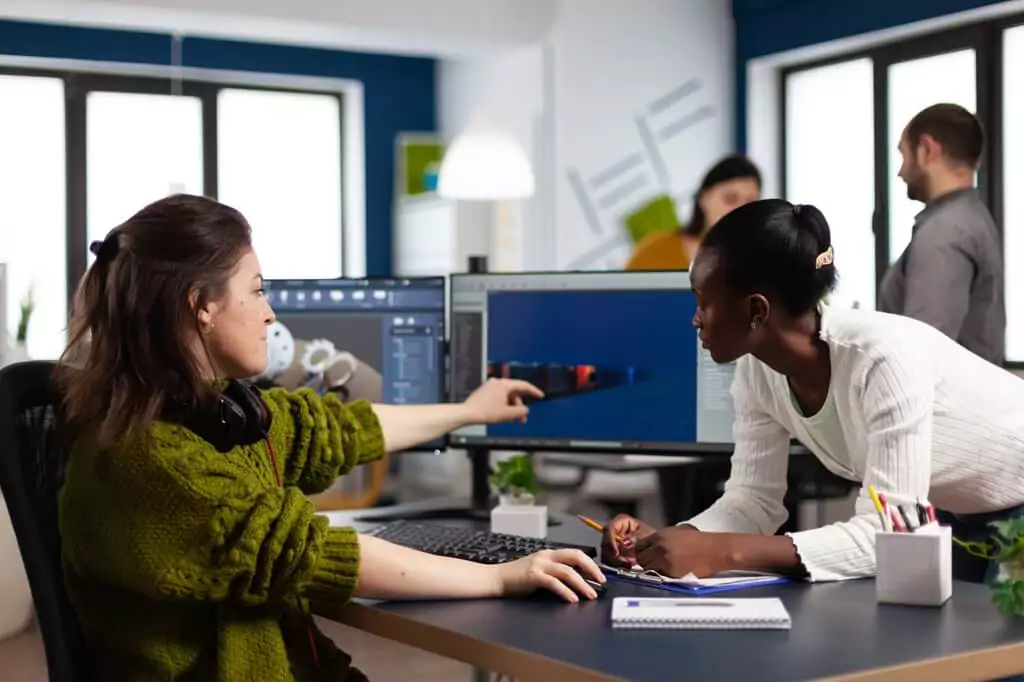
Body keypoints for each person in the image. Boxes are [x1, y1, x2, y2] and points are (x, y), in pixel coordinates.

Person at [56, 194, 605, 682]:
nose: (270, 313)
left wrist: (466, 411)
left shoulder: (212, 414)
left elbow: (340, 430)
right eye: (257, 290)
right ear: (201, 306)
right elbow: (311, 553)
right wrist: (501, 579)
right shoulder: (149, 461)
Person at [602, 199, 1024, 585]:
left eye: (703, 302)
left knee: (989, 661)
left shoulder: (882, 359)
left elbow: (889, 532)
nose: (695, 320)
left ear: (756, 310)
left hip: (1011, 501)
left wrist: (721, 551)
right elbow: (753, 502)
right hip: (955, 509)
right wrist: (671, 540)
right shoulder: (756, 371)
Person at [879, 103, 1004, 365]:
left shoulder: (944, 233)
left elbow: (921, 356)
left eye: (903, 154)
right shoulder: (972, 218)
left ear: (927, 149)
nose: (900, 171)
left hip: (943, 405)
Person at [625, 154, 761, 271]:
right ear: (704, 198)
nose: (741, 210)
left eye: (750, 203)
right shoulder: (656, 250)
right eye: (730, 199)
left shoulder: (763, 262)